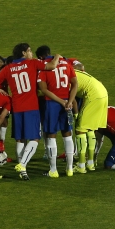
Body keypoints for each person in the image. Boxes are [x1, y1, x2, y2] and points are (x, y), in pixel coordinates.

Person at [0, 43, 61, 180]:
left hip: (16, 107)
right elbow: (52, 66)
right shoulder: (33, 63)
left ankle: (22, 170)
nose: (31, 53)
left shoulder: (8, 69)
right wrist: (57, 56)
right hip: (31, 107)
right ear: (24, 53)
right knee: (35, 138)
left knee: (20, 139)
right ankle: (23, 164)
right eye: (29, 51)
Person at [36, 48, 79, 177]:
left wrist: (61, 102)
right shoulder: (67, 64)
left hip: (52, 104)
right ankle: (70, 169)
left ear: (42, 58)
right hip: (67, 103)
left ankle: (53, 170)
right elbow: (75, 84)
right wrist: (70, 101)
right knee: (67, 135)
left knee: (51, 135)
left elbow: (43, 90)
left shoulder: (44, 68)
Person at [69, 62, 108, 174]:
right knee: (90, 129)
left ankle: (81, 165)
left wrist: (76, 116)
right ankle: (90, 163)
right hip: (103, 93)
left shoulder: (65, 77)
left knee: (80, 130)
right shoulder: (74, 72)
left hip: (94, 97)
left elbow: (74, 101)